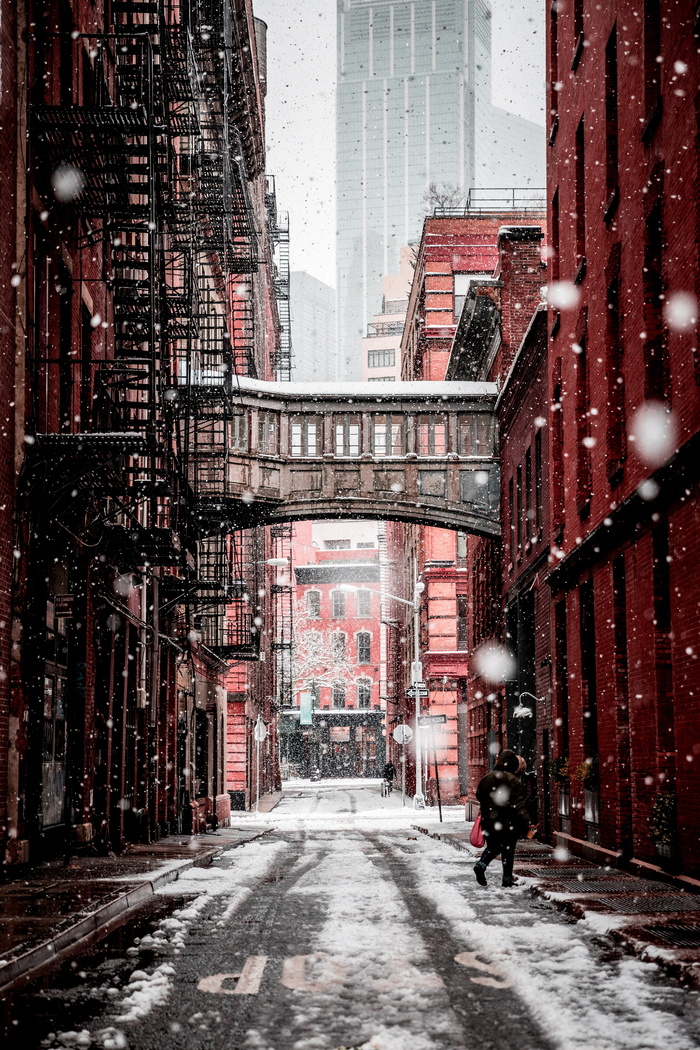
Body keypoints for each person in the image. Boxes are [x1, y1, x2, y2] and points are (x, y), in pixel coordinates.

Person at [474, 749, 530, 888]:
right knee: (508, 850)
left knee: (493, 846)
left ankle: (482, 864)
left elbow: (479, 795)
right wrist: (526, 821)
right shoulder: (513, 780)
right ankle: (507, 879)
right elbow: (519, 804)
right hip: (508, 821)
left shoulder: (487, 777)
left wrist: (489, 806)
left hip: (489, 819)